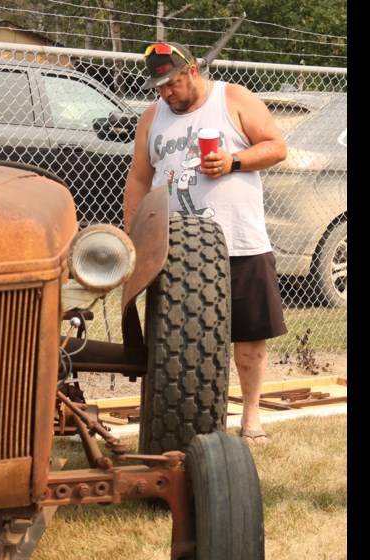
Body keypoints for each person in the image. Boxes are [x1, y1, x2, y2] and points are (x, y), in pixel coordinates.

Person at [124, 42, 288, 445]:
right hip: (174, 249)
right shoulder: (152, 117)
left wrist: (234, 161)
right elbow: (139, 178)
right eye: (158, 85)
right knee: (174, 341)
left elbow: (276, 147)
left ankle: (250, 421)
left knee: (249, 337)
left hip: (239, 240)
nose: (165, 92)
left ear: (192, 70)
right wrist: (134, 235)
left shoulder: (232, 98)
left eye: (172, 82)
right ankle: (185, 424)